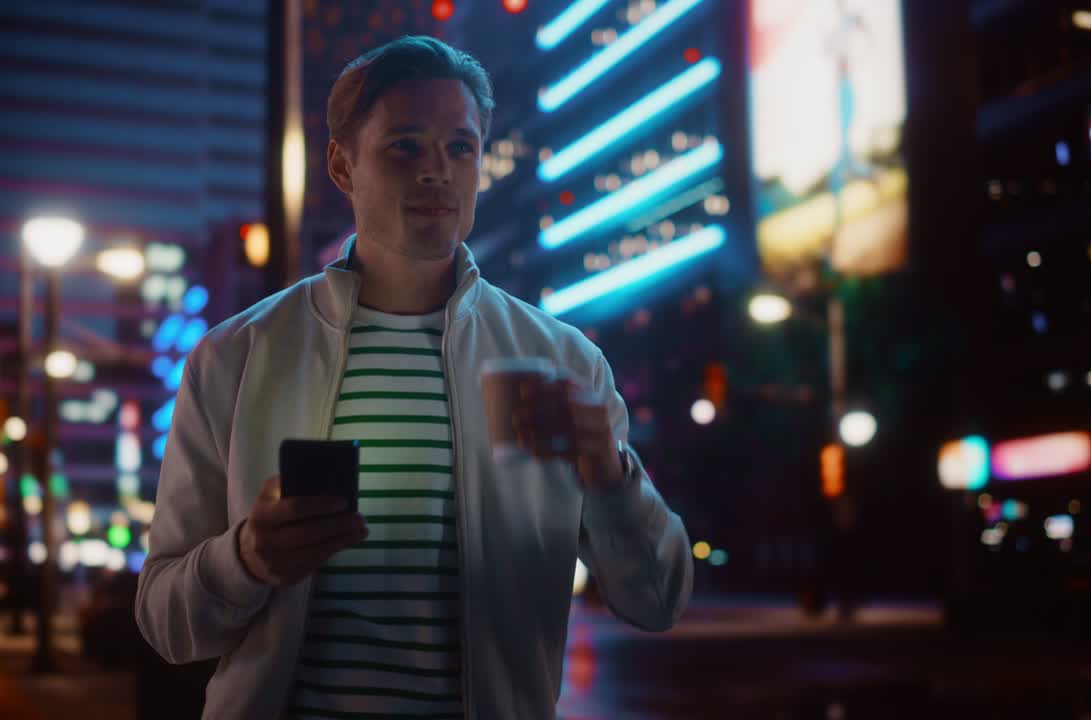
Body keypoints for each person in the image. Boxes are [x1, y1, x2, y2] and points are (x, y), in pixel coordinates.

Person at [135, 35, 692, 719]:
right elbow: (165, 623)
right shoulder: (239, 356)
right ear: (342, 165)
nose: (437, 171)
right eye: (404, 145)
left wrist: (612, 477)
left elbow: (658, 601)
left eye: (460, 147)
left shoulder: (561, 361)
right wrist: (246, 559)